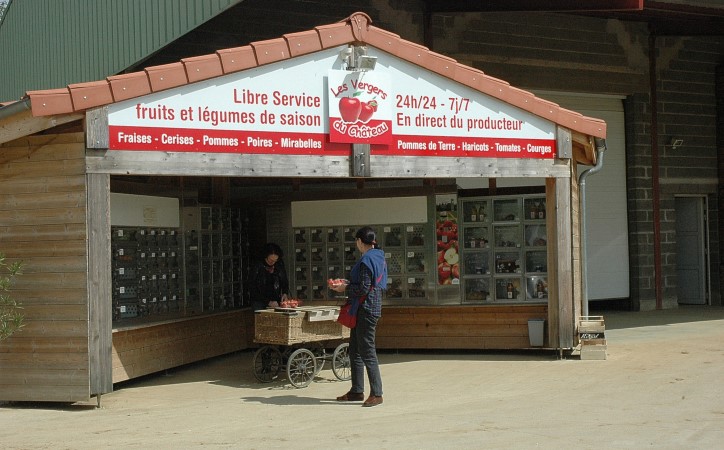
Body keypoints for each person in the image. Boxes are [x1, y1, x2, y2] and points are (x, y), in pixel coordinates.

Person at [330, 226, 387, 407]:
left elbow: (363, 288)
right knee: (355, 350)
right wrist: (348, 283)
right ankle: (356, 390)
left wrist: (344, 287)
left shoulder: (366, 260)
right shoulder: (378, 257)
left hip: (365, 309)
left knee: (367, 351)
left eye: (357, 241)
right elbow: (368, 284)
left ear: (360, 242)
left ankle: (377, 394)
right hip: (370, 307)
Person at [249, 243, 289, 311]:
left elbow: (284, 279)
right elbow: (252, 287)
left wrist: (285, 293)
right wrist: (268, 302)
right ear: (265, 256)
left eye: (275, 261)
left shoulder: (279, 264)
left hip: (275, 298)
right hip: (259, 300)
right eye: (270, 260)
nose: (272, 263)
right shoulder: (258, 265)